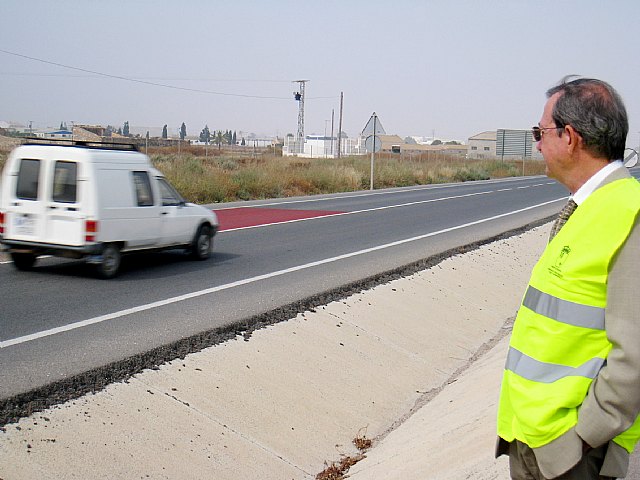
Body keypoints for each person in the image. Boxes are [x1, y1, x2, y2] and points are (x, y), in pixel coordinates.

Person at [496, 76, 640, 479]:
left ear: (570, 137)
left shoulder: (628, 213)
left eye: (539, 132)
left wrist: (582, 437)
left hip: (572, 455)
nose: (537, 144)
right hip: (534, 439)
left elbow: (636, 354)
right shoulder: (589, 208)